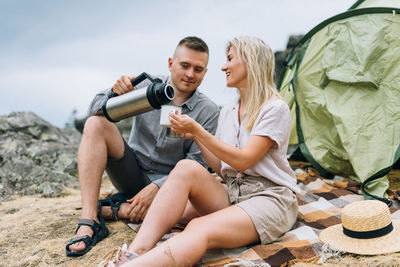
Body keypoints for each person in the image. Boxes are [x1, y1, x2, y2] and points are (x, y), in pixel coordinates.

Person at [112, 36, 300, 266]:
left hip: (269, 199)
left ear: (251, 62)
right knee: (186, 168)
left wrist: (199, 132)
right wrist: (194, 136)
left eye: (230, 59)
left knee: (197, 226)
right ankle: (136, 250)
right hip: (234, 193)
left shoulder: (274, 108)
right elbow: (224, 171)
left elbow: (244, 161)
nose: (223, 66)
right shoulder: (228, 111)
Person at [65, 36, 220, 256]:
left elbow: (197, 163)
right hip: (131, 171)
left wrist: (157, 188)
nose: (189, 74)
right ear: (170, 63)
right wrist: (115, 93)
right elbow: (93, 109)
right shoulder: (147, 83)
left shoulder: (208, 111)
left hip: (171, 190)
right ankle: (89, 219)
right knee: (95, 123)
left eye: (198, 69)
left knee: (204, 213)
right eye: (184, 65)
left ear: (205, 73)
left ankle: (118, 209)